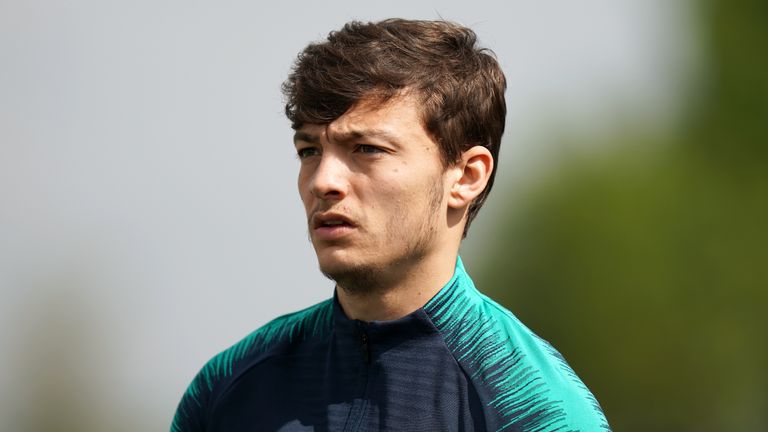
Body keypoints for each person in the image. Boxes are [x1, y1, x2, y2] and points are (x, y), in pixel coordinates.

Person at [171, 18, 610, 431]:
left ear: (467, 175)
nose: (323, 181)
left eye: (367, 149)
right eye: (309, 151)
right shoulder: (228, 390)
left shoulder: (536, 412)